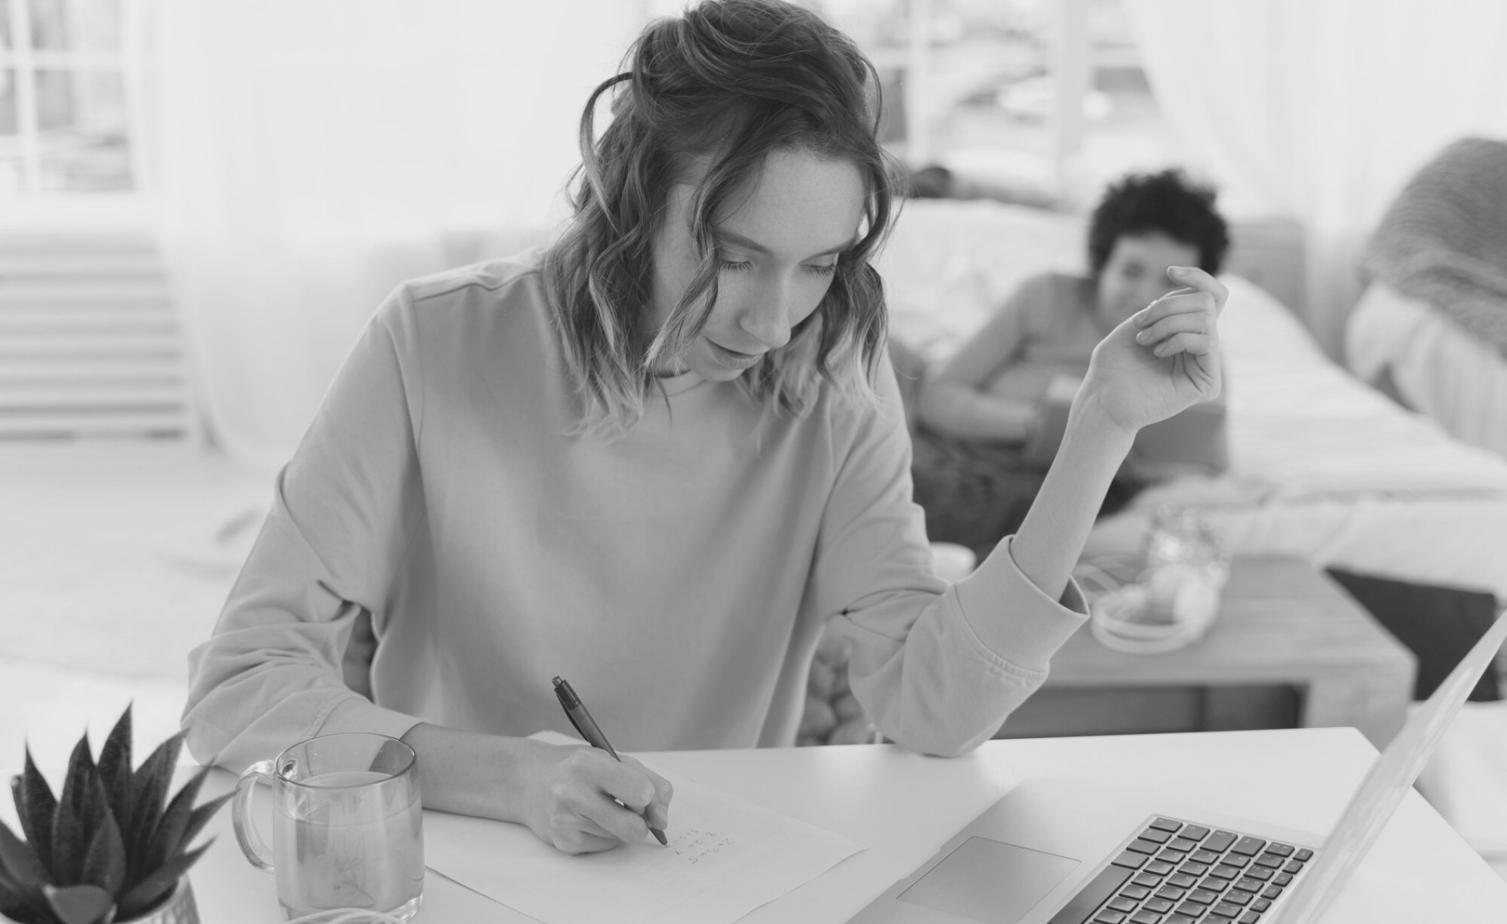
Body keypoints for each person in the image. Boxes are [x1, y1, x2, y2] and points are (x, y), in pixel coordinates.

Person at [181, 1, 1228, 857]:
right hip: (457, 858)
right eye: (735, 256)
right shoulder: (432, 342)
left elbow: (931, 708)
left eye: (818, 266)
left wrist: (1099, 427)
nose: (772, 322)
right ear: (628, 199)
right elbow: (241, 686)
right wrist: (513, 775)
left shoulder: (833, 377)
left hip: (711, 867)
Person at [910, 168, 1232, 559]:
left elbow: (1206, 465)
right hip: (952, 453)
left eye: (1170, 282)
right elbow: (937, 396)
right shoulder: (1045, 297)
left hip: (1050, 483)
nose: (1147, 297)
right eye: (1131, 271)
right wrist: (1043, 423)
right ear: (1103, 260)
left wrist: (1113, 443)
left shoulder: (1191, 350)